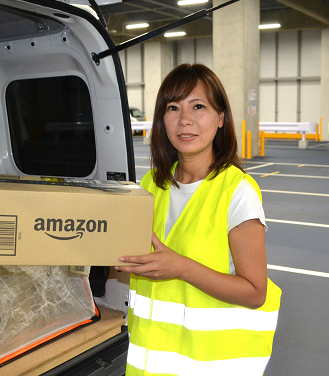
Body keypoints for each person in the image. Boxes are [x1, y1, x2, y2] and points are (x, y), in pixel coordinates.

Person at [116, 63, 281, 376]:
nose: (184, 119)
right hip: (148, 366)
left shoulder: (236, 191)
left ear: (221, 118)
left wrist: (181, 268)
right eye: (173, 107)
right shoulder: (150, 185)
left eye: (198, 106)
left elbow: (255, 292)